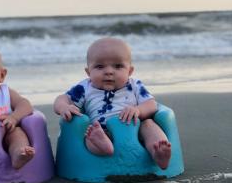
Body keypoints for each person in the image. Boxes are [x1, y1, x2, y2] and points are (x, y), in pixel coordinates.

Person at [53, 37, 171, 169]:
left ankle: (158, 152)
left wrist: (138, 110)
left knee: (149, 125)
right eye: (99, 66)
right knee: (89, 135)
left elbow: (151, 104)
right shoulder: (85, 87)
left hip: (135, 129)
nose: (109, 71)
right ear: (88, 72)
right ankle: (104, 148)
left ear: (129, 71)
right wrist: (64, 107)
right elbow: (62, 98)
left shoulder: (134, 85)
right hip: (102, 131)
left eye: (118, 66)